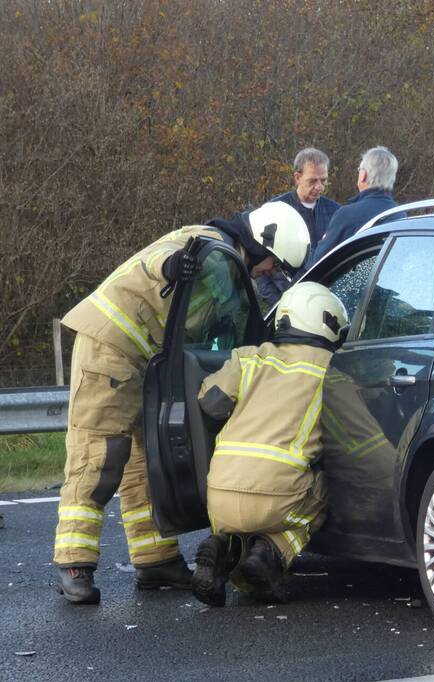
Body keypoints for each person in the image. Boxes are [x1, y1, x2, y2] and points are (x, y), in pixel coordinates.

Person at [53, 201, 311, 604]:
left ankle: (155, 560)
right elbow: (157, 261)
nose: (269, 272)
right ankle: (74, 563)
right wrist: (172, 267)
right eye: (273, 264)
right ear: (261, 245)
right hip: (110, 348)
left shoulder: (226, 268)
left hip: (148, 364)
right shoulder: (203, 243)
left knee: (146, 465)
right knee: (98, 455)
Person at [190, 282, 348, 607]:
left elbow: (211, 403)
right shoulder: (332, 369)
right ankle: (273, 553)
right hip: (279, 498)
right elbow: (354, 439)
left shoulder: (249, 357)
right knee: (325, 488)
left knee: (238, 520)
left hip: (219, 495)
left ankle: (223, 547)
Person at [257, 148, 341, 306]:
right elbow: (260, 266)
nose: (319, 187)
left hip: (327, 302)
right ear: (297, 177)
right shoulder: (275, 211)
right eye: (313, 181)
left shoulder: (336, 213)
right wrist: (279, 306)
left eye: (323, 180)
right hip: (285, 302)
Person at [307, 146, 406, 268]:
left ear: (363, 175)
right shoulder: (400, 215)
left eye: (359, 169)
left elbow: (316, 264)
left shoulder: (347, 215)